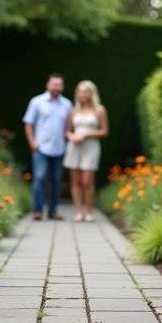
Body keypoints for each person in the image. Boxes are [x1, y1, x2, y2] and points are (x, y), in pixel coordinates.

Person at [23, 73, 72, 221]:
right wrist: (32, 142)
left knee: (57, 181)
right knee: (39, 178)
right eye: (54, 84)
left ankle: (52, 210)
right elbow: (28, 123)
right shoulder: (37, 102)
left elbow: (69, 126)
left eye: (59, 85)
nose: (56, 87)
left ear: (62, 87)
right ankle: (37, 210)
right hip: (41, 148)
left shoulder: (67, 104)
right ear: (47, 85)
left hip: (59, 148)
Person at [63, 80, 109, 222]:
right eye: (80, 92)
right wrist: (72, 137)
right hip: (74, 147)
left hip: (91, 147)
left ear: (91, 93)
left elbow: (104, 131)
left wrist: (87, 134)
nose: (82, 94)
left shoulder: (100, 110)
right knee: (75, 182)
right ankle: (79, 211)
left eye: (85, 92)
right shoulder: (73, 110)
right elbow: (67, 131)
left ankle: (89, 211)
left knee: (87, 181)